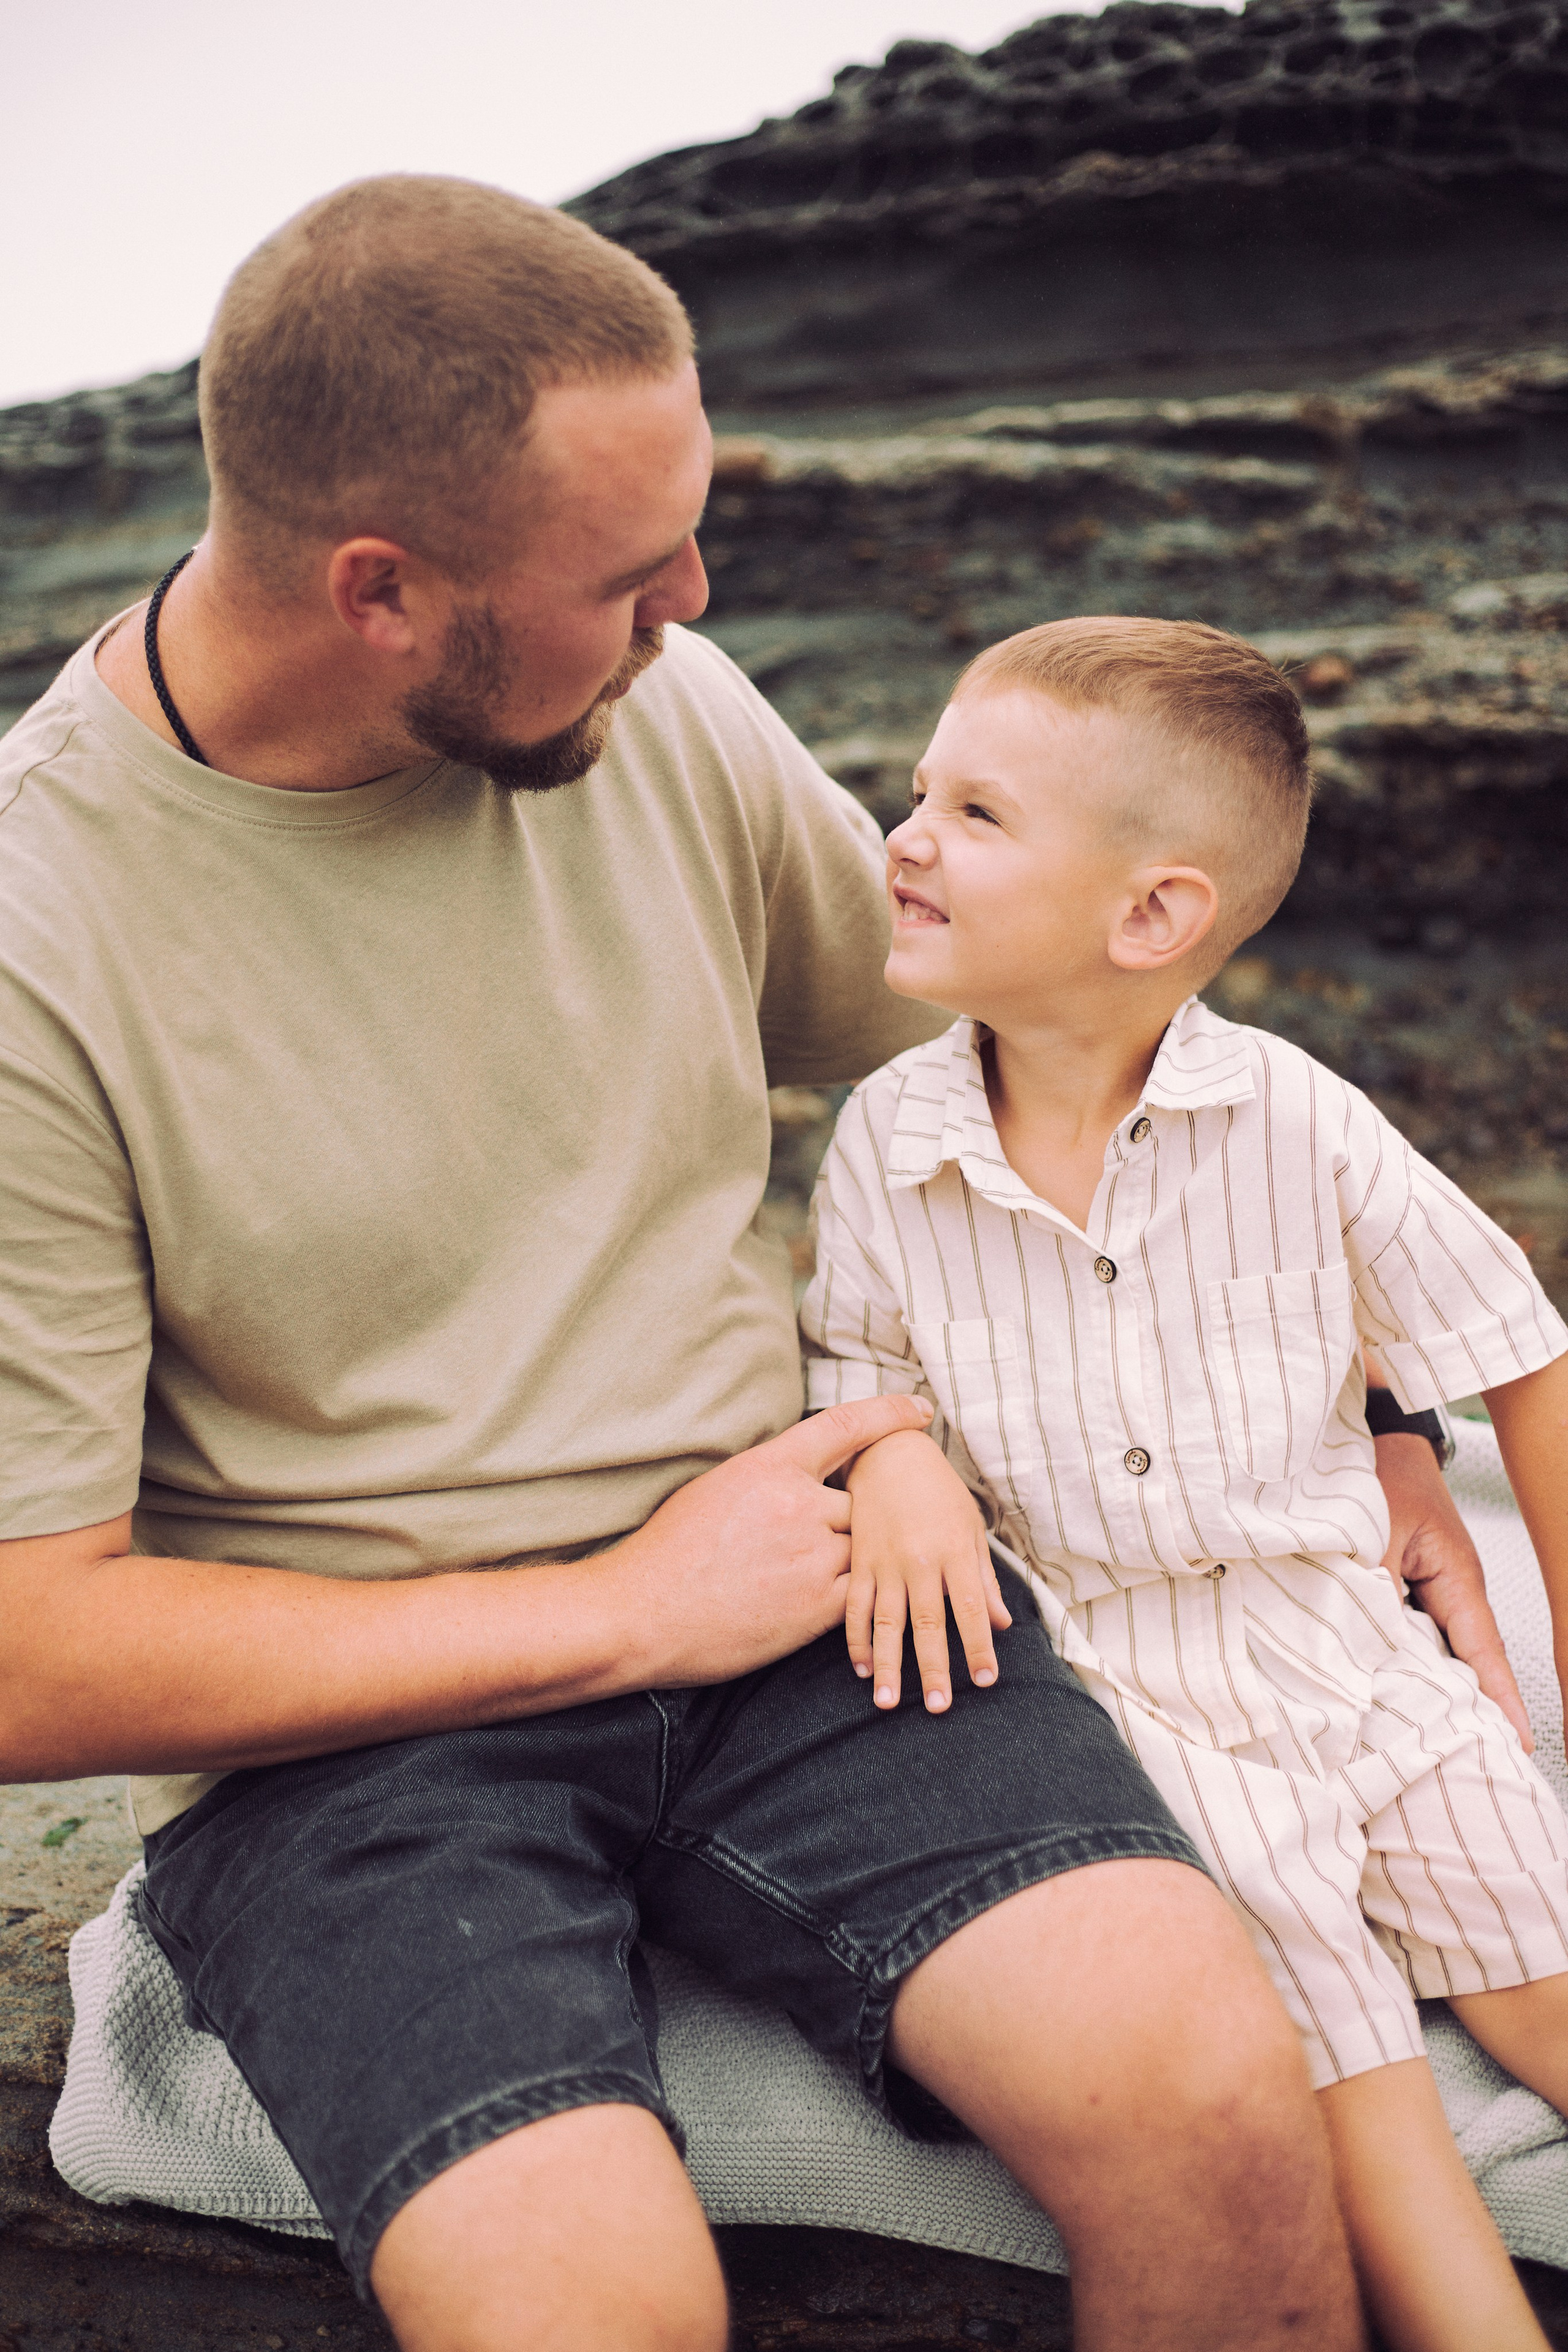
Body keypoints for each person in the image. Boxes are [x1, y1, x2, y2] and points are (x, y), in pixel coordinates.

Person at [0, 178, 1499, 2352]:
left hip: (834, 1608)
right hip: (354, 1761)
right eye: (629, 573)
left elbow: (1062, 1066)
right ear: (381, 590)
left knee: (1211, 2100)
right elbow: (27, 1652)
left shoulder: (659, 706)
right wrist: (626, 1610)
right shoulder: (35, 937)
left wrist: (1376, 1411)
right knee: (590, 2310)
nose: (693, 605)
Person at [800, 614, 1568, 2352]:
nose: (904, 838)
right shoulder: (887, 1146)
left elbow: (1518, 1345)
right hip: (1133, 1704)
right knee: (1357, 2074)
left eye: (975, 814)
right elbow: (857, 1361)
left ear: (1151, 915)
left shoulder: (1300, 1121)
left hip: (1353, 1652)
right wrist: (895, 1455)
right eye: (919, 793)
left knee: (1537, 1961)